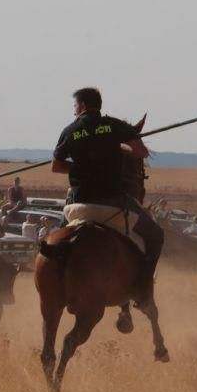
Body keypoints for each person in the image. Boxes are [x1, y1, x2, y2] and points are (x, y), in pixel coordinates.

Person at [51, 87, 164, 306]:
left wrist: (81, 166)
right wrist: (120, 150)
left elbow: (56, 166)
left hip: (78, 202)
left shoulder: (70, 130)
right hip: (112, 200)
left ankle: (55, 280)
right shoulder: (113, 125)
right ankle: (143, 288)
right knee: (155, 235)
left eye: (75, 106)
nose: (74, 111)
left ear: (82, 106)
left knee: (57, 241)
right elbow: (141, 153)